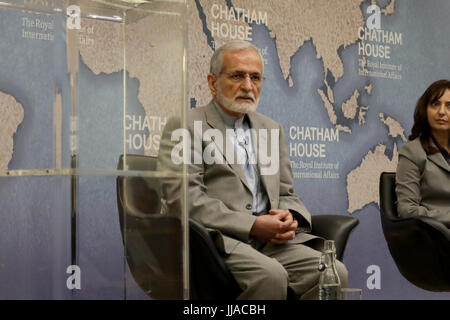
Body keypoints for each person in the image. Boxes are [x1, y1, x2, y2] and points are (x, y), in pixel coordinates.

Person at [158, 40, 347, 299]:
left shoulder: (270, 129)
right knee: (270, 276)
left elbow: (286, 192)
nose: (248, 86)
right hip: (219, 240)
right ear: (213, 83)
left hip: (271, 242)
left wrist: (290, 216)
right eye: (237, 75)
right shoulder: (186, 126)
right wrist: (253, 225)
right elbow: (185, 200)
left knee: (334, 271)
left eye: (255, 77)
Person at [396, 79, 450, 227]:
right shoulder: (412, 152)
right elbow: (407, 210)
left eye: (449, 106)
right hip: (435, 236)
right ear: (425, 110)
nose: (441, 112)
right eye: (435, 104)